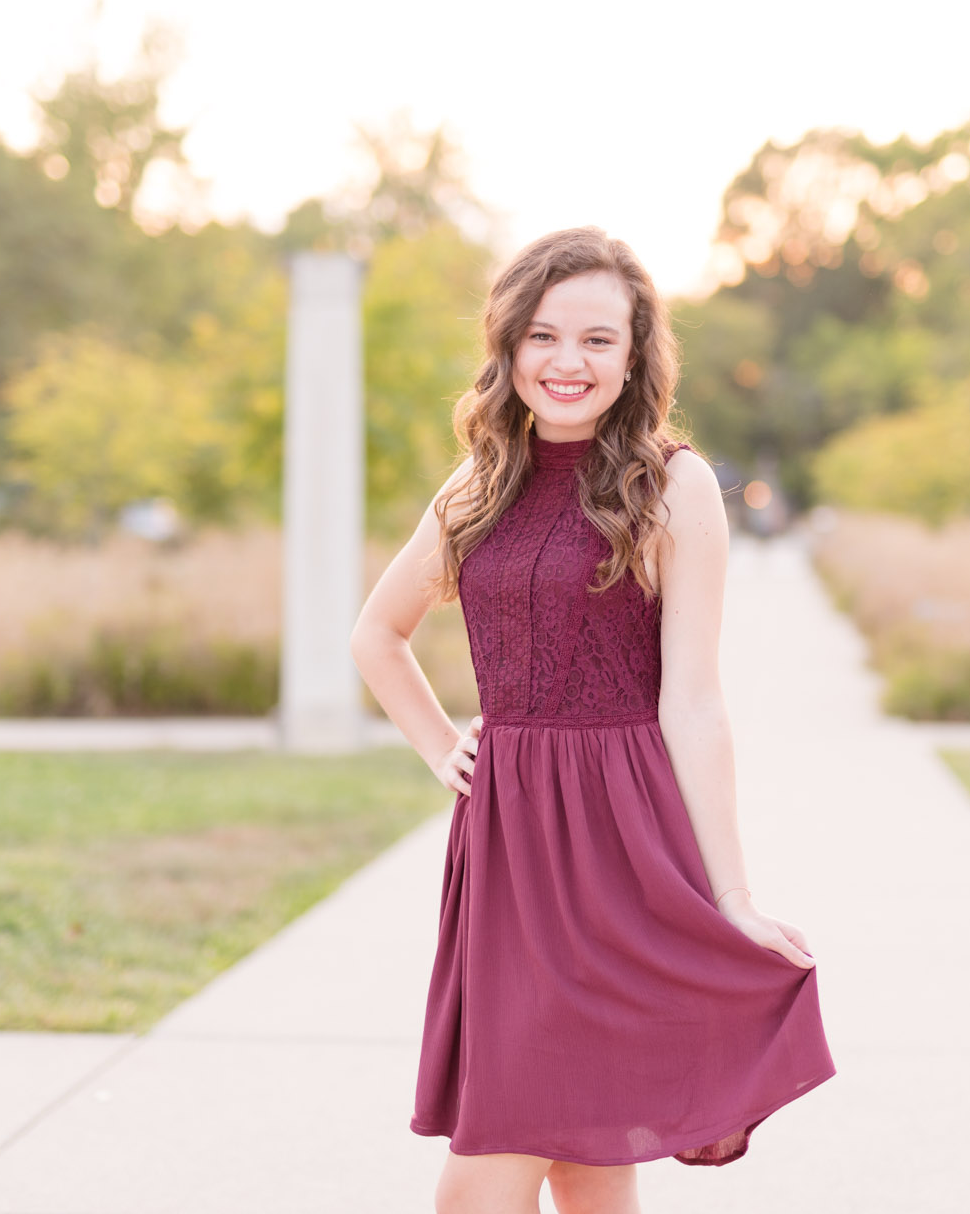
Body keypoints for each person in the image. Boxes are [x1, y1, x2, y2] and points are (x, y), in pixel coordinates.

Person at [351, 226, 834, 1214]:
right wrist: (443, 744)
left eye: (596, 340)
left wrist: (731, 896)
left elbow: (692, 699)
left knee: (500, 1172)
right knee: (581, 1154)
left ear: (633, 352)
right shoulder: (476, 485)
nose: (566, 361)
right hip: (505, 845)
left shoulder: (671, 483)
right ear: (508, 346)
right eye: (542, 335)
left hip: (620, 839)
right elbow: (376, 634)